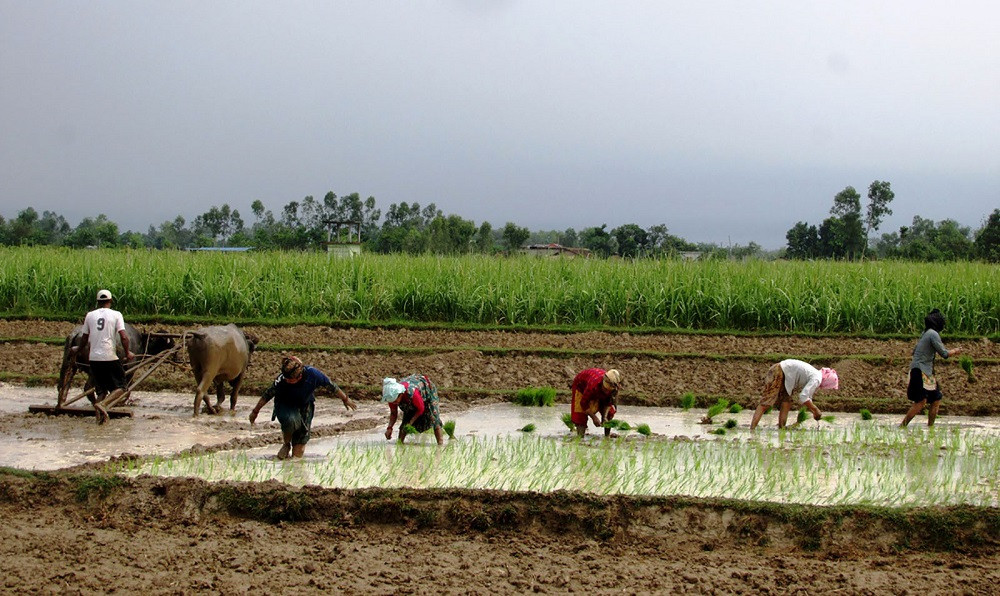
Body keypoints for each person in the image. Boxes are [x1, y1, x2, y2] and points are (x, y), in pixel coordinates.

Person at [249, 356, 357, 459]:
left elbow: (331, 386)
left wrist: (345, 399)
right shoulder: (281, 380)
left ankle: (293, 471)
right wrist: (255, 411)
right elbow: (267, 395)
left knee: (299, 448)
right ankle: (286, 444)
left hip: (305, 405)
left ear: (299, 376)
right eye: (286, 378)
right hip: (285, 404)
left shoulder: (313, 375)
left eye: (290, 380)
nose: (288, 381)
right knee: (291, 421)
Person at [901, 309, 962, 428]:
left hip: (925, 372)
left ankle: (931, 428)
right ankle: (902, 426)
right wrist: (956, 351)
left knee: (936, 399)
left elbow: (914, 351)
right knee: (921, 402)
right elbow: (944, 353)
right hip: (920, 371)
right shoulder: (933, 334)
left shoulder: (925, 333)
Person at [81, 289, 133, 424]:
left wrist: (78, 348)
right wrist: (128, 353)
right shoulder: (116, 315)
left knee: (101, 392)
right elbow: (124, 337)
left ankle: (100, 422)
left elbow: (84, 338)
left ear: (98, 302)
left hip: (94, 358)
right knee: (122, 388)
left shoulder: (90, 315)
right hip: (109, 356)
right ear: (110, 301)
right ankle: (103, 405)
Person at [749, 359, 838, 430]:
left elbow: (808, 397)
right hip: (779, 370)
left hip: (786, 375)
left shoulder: (815, 375)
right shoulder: (817, 378)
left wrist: (812, 413)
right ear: (827, 382)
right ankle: (752, 429)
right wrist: (815, 410)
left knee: (787, 401)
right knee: (767, 402)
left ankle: (782, 428)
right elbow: (803, 396)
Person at [382, 374, 444, 445]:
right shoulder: (392, 398)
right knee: (405, 421)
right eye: (392, 401)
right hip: (410, 397)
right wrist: (389, 428)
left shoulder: (413, 393)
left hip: (427, 389)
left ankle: (440, 444)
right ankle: (400, 443)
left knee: (434, 417)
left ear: (400, 394)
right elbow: (393, 413)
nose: (394, 403)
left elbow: (421, 409)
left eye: (395, 401)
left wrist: (411, 422)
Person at [570, 368, 622, 438]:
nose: (606, 392)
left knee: (609, 413)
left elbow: (608, 402)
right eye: (605, 389)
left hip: (597, 390)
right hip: (581, 386)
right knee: (580, 415)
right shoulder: (593, 385)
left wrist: (604, 417)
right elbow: (583, 403)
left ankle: (607, 437)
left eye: (608, 390)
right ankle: (580, 439)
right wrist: (594, 417)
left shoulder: (614, 388)